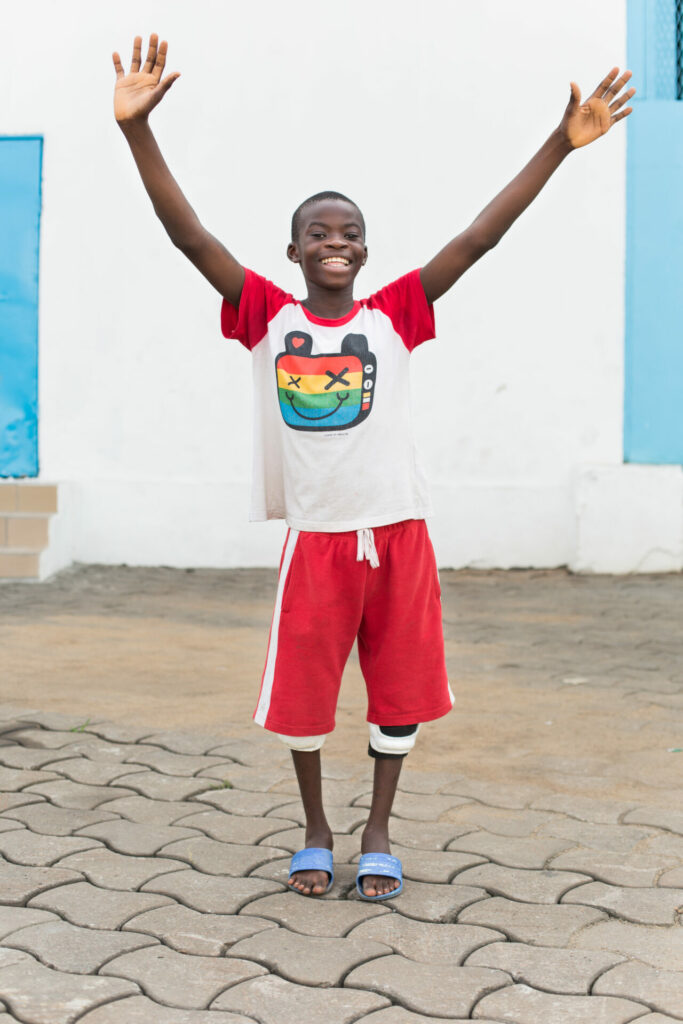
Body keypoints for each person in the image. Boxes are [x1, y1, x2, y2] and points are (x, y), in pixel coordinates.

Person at [112, 33, 634, 900]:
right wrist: (137, 132)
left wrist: (558, 143)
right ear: (292, 253)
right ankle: (315, 827)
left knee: (399, 690)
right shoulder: (265, 315)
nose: (334, 242)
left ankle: (378, 825)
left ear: (365, 248)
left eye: (349, 233)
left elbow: (478, 237)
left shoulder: (396, 313)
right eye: (317, 233)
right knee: (305, 698)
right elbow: (186, 233)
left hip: (397, 533)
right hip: (316, 542)